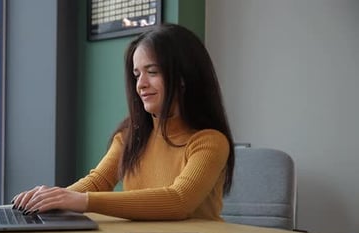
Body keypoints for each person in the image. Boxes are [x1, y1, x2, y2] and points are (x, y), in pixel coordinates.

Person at [12, 23, 235, 221]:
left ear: (184, 77)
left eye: (152, 72)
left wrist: (80, 201)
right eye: (137, 74)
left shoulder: (210, 142)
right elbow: (98, 181)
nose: (141, 84)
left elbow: (179, 200)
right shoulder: (132, 133)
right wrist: (53, 200)